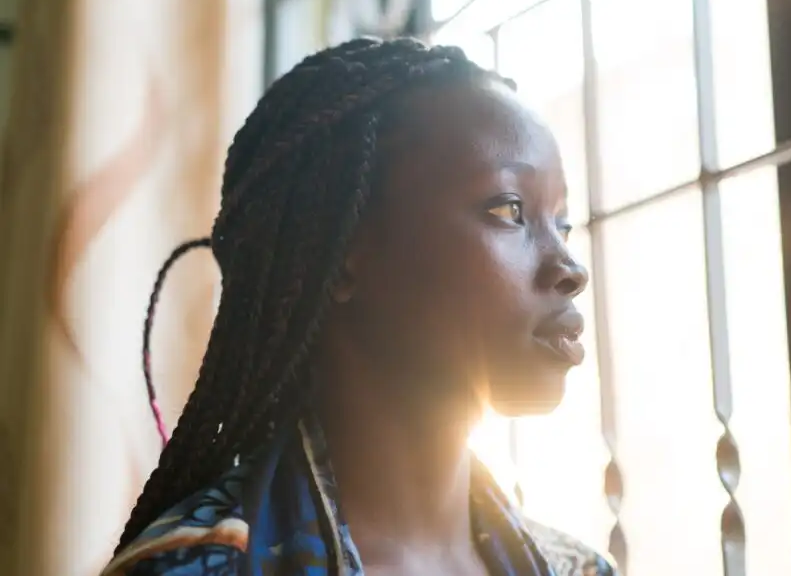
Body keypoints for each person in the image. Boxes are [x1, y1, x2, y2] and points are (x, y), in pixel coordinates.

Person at [101, 37, 617, 576]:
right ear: (343, 252)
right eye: (510, 209)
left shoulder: (581, 571)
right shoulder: (190, 568)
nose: (570, 268)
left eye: (562, 224)